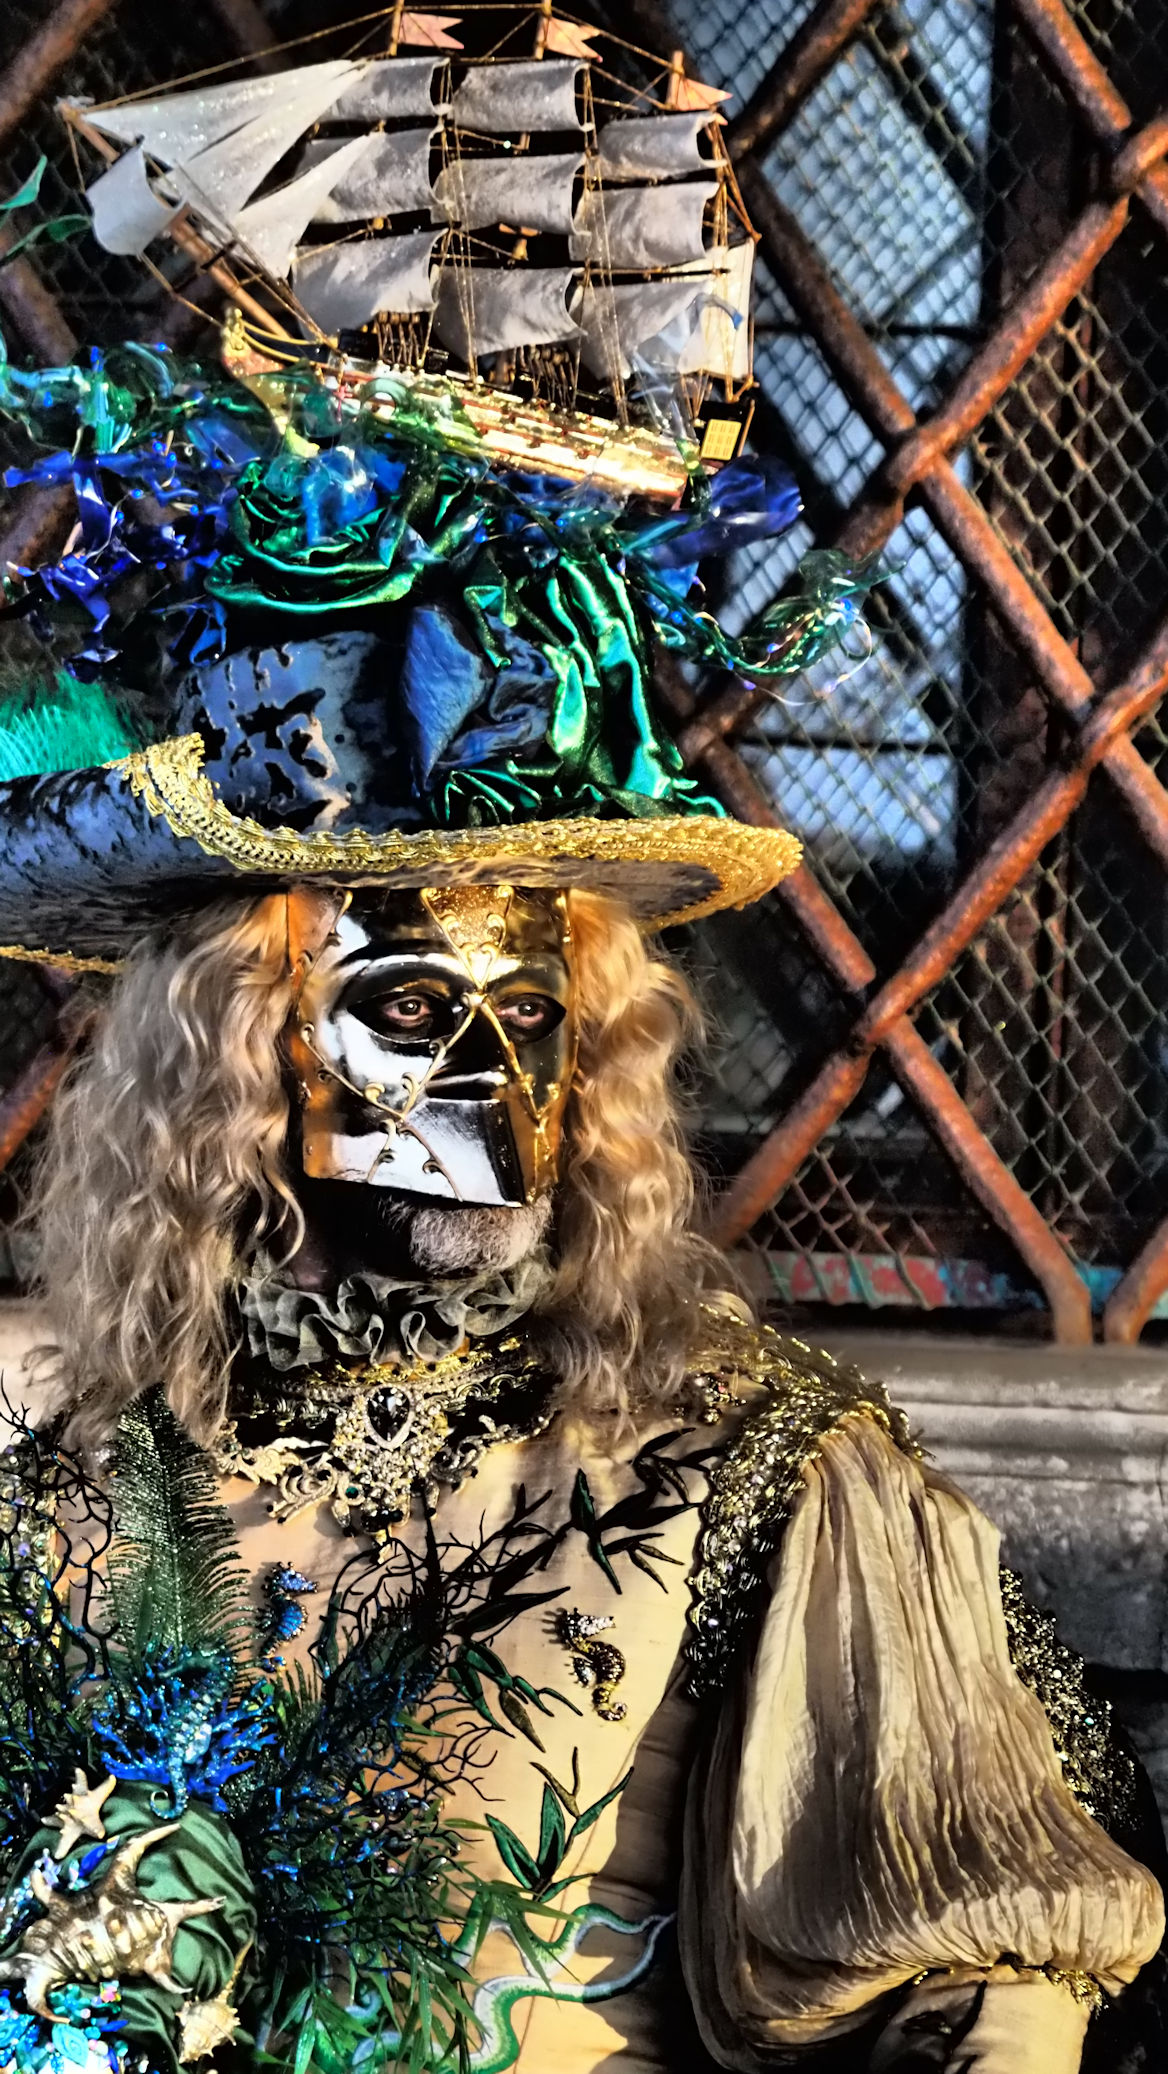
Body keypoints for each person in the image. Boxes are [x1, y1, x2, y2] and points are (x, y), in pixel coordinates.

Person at [0, 340, 1162, 2074]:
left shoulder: (743, 1471)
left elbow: (988, 1987)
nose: (487, 1073)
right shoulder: (63, 1475)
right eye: (411, 1006)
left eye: (532, 1010)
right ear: (242, 1048)